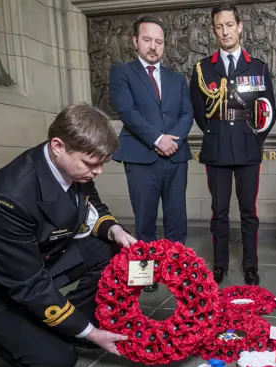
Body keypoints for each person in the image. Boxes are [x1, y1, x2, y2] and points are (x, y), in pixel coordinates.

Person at [0, 103, 135, 367]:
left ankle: (72, 321)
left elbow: (90, 203)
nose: (98, 171)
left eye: (102, 163)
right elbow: (26, 283)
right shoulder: (5, 197)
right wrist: (89, 332)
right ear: (58, 146)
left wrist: (114, 231)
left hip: (37, 258)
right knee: (56, 362)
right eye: (91, 164)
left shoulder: (72, 164)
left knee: (109, 248)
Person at [190, 3, 276, 285]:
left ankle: (251, 265)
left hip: (248, 146)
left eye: (229, 25)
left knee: (249, 212)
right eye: (219, 26)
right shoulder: (203, 69)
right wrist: (218, 133)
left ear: (240, 27)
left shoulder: (258, 66)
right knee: (220, 212)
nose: (225, 31)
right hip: (216, 149)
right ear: (213, 30)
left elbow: (268, 111)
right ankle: (220, 265)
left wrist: (253, 137)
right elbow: (200, 113)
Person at [109, 15, 194, 293]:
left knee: (176, 218)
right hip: (141, 157)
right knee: (144, 220)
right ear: (135, 41)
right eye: (147, 40)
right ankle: (145, 277)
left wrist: (173, 142)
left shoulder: (176, 78)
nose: (153, 46)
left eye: (159, 41)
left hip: (176, 157)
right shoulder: (122, 72)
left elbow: (186, 113)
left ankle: (176, 271)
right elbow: (127, 112)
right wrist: (157, 139)